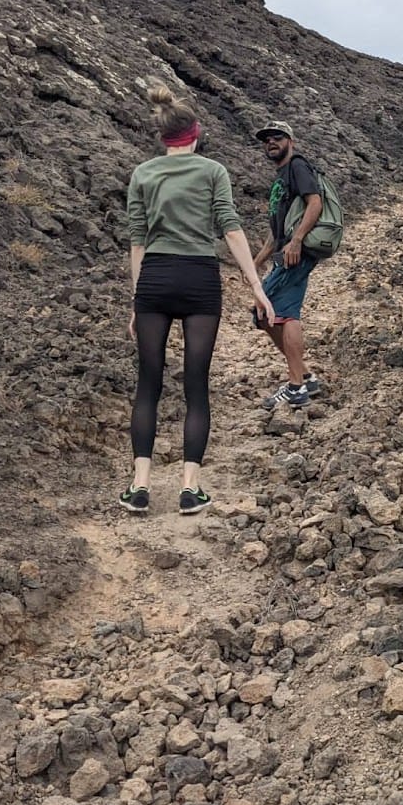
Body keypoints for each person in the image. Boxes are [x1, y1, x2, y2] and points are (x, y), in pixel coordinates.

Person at [120, 85, 275, 515]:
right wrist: (256, 286)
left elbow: (137, 240)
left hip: (154, 279)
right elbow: (229, 226)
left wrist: (137, 299)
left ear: (163, 136)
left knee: (148, 383)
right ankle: (190, 489)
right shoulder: (212, 171)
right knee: (196, 385)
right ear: (195, 133)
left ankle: (139, 487)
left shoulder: (143, 174)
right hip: (199, 279)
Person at [252, 120, 325, 409]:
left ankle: (297, 386)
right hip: (286, 251)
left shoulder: (297, 166)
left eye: (277, 137)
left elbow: (315, 203)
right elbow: (277, 227)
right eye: (267, 139)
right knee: (265, 313)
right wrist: (257, 261)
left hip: (297, 252)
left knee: (279, 313)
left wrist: (296, 241)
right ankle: (305, 376)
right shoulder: (282, 175)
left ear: (290, 140)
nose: (271, 142)